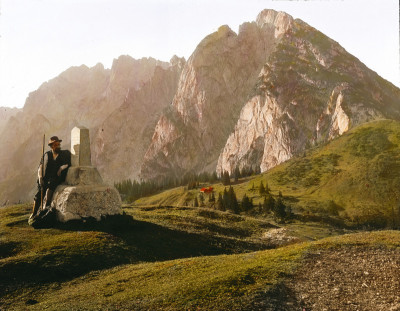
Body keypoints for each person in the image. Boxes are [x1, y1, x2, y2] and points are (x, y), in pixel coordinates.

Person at [30, 136, 71, 219]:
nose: (58, 146)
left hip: (55, 178)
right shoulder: (47, 155)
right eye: (56, 145)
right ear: (52, 146)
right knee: (38, 195)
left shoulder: (63, 154)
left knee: (49, 190)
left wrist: (61, 168)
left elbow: (67, 164)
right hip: (46, 178)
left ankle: (45, 212)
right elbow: (40, 168)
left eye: (58, 144)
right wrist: (41, 178)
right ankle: (34, 213)